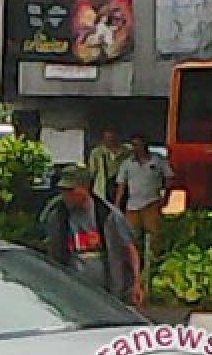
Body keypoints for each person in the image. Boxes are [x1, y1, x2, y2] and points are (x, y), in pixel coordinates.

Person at [43, 164, 142, 305]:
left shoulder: (108, 215)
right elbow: (52, 251)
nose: (66, 196)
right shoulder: (58, 216)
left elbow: (129, 249)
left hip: (108, 289)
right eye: (63, 191)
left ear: (85, 188)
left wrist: (136, 283)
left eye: (71, 190)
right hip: (72, 290)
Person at [115, 134, 174, 260]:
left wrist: (166, 198)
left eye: (139, 145)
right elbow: (121, 185)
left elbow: (169, 178)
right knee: (132, 237)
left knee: (155, 235)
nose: (136, 148)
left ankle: (156, 260)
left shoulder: (158, 161)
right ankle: (135, 262)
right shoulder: (127, 164)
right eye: (134, 145)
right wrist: (117, 205)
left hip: (152, 203)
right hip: (132, 205)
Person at [86, 127, 129, 203]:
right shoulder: (96, 152)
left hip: (122, 187)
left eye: (113, 137)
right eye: (108, 138)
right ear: (103, 139)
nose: (111, 140)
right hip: (102, 189)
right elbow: (92, 172)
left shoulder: (126, 151)